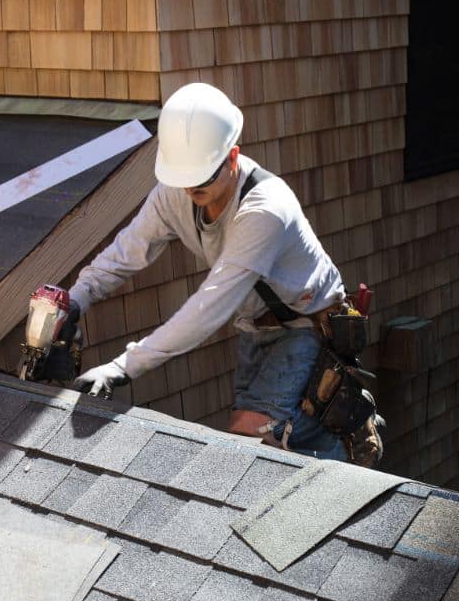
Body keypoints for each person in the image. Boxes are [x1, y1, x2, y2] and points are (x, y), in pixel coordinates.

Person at [70, 82, 382, 465]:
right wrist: (74, 300)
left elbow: (210, 306)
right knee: (257, 439)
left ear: (232, 157)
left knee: (254, 430)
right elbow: (127, 252)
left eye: (201, 180)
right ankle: (321, 438)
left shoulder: (265, 209)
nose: (190, 190)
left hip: (308, 327)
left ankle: (347, 459)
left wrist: (123, 367)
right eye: (184, 179)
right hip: (255, 327)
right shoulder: (178, 189)